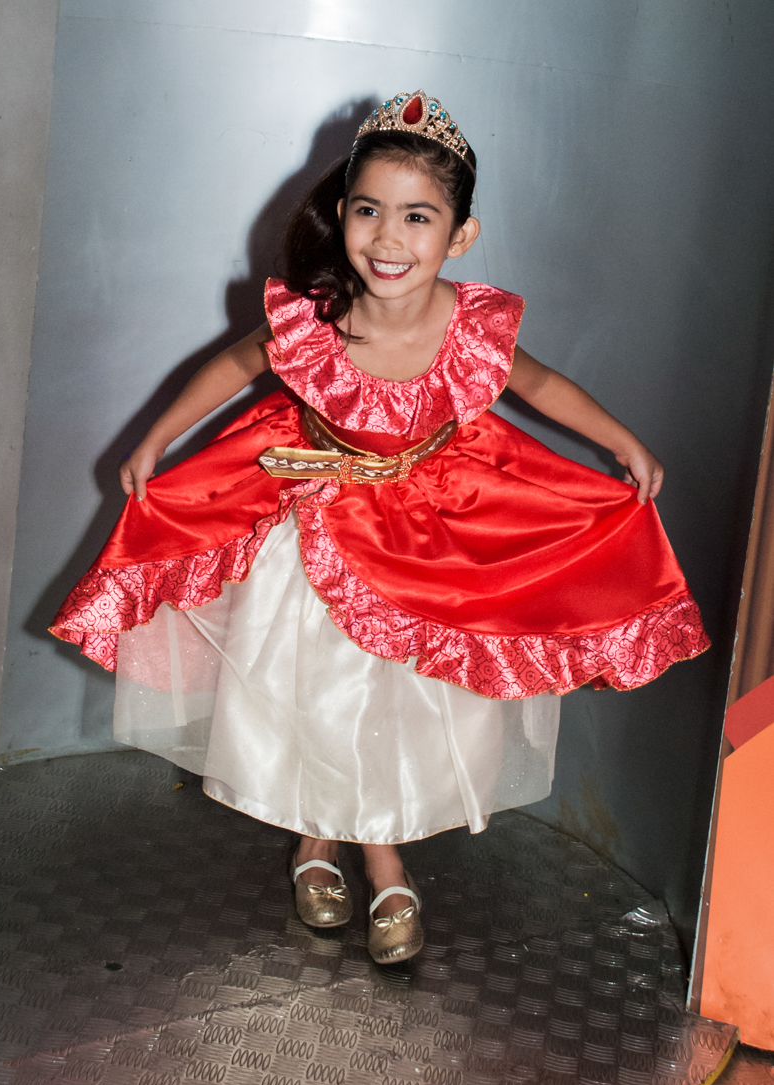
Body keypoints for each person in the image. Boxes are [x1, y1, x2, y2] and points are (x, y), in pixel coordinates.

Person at [51, 90, 709, 965]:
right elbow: (233, 364)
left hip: (430, 537)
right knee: (314, 700)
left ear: (459, 237)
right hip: (313, 530)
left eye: (417, 217)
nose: (388, 239)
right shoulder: (318, 312)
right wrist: (157, 437)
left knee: (399, 708)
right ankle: (347, 853)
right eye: (368, 212)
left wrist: (620, 441)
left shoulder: (468, 327)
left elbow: (541, 386)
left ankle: (355, 846)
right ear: (341, 214)